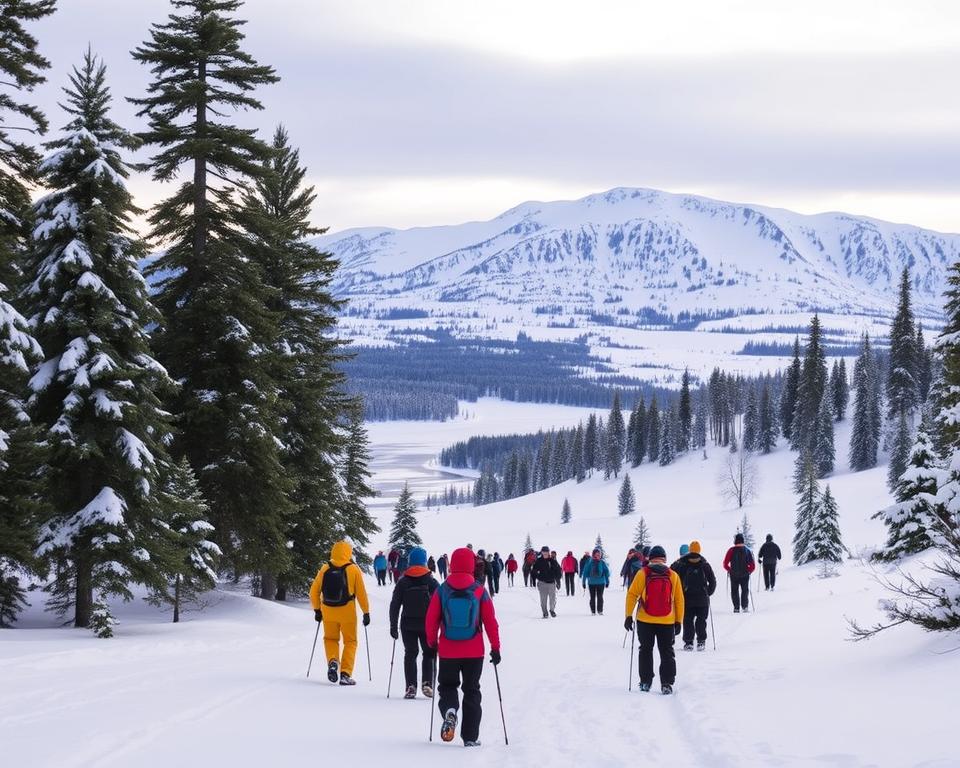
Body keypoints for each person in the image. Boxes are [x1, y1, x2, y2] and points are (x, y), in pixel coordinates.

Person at [425, 547, 501, 747]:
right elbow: (490, 621)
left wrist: (432, 644)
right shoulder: (479, 590)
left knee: (447, 686)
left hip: (448, 650)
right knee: (472, 690)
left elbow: (431, 619)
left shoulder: (442, 589)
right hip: (474, 651)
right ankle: (470, 737)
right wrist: (495, 647)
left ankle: (450, 711)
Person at [624, 544, 684, 695]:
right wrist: (679, 620)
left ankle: (645, 682)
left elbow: (632, 594)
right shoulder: (673, 575)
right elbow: (679, 600)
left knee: (645, 650)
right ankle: (667, 683)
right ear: (664, 559)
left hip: (645, 620)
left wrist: (628, 616)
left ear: (650, 558)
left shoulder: (642, 573)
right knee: (667, 651)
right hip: (667, 620)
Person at [310, 540, 370, 686]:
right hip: (347, 612)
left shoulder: (325, 568)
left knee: (330, 639)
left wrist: (317, 610)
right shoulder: (353, 569)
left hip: (328, 611)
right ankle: (345, 674)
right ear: (348, 553)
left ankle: (333, 661)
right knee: (350, 642)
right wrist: (366, 612)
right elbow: (361, 594)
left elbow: (313, 592)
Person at [390, 546, 439, 699]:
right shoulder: (431, 581)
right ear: (424, 562)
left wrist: (393, 625)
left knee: (410, 653)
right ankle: (427, 684)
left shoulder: (403, 582)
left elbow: (395, 604)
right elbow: (440, 603)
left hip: (407, 624)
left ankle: (410, 686)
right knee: (429, 653)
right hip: (427, 625)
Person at [671, 540, 716, 651]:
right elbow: (713, 581)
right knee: (701, 620)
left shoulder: (682, 563)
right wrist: (708, 592)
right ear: (699, 550)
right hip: (702, 599)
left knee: (687, 620)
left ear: (690, 549)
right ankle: (701, 642)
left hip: (686, 598)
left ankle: (688, 642)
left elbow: (671, 572)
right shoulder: (704, 564)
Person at [723, 533, 756, 612]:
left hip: (734, 574)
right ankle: (745, 607)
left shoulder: (731, 550)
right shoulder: (747, 550)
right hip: (745, 574)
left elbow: (725, 563)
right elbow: (752, 566)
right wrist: (748, 571)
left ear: (735, 541)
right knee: (745, 590)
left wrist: (729, 570)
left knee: (734, 591)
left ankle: (736, 607)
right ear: (743, 541)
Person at [531, 545, 562, 618]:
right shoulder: (539, 561)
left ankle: (552, 610)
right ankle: (545, 612)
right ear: (542, 552)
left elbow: (558, 570)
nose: (545, 553)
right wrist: (536, 576)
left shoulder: (552, 561)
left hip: (551, 583)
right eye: (543, 551)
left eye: (546, 551)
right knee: (543, 600)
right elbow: (533, 571)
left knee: (552, 599)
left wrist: (557, 577)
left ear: (548, 552)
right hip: (542, 583)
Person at [581, 548, 610, 615]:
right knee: (593, 597)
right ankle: (593, 611)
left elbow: (606, 573)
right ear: (593, 555)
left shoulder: (602, 562)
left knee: (600, 597)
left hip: (600, 583)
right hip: (592, 583)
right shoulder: (590, 562)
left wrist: (607, 581)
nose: (598, 556)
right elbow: (585, 573)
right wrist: (583, 582)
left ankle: (600, 611)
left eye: (599, 554)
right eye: (597, 554)